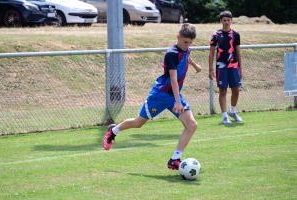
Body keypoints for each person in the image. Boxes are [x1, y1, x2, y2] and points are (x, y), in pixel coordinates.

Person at [103, 23, 202, 170]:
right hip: (160, 95)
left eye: (190, 43)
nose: (187, 45)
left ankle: (174, 159)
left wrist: (195, 65)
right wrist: (177, 101)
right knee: (138, 123)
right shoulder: (171, 54)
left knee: (192, 125)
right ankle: (114, 131)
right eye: (185, 42)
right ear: (178, 37)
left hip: (173, 95)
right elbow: (173, 78)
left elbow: (187, 56)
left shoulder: (186, 49)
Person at [208, 10, 243, 124]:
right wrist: (210, 69)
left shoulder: (235, 34)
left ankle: (232, 112)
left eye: (228, 20)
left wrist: (240, 69)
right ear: (221, 21)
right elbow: (211, 53)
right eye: (224, 20)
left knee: (236, 90)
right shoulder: (216, 35)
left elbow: (238, 52)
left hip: (234, 66)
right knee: (223, 91)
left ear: (231, 21)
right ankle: (224, 116)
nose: (226, 22)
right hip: (221, 67)